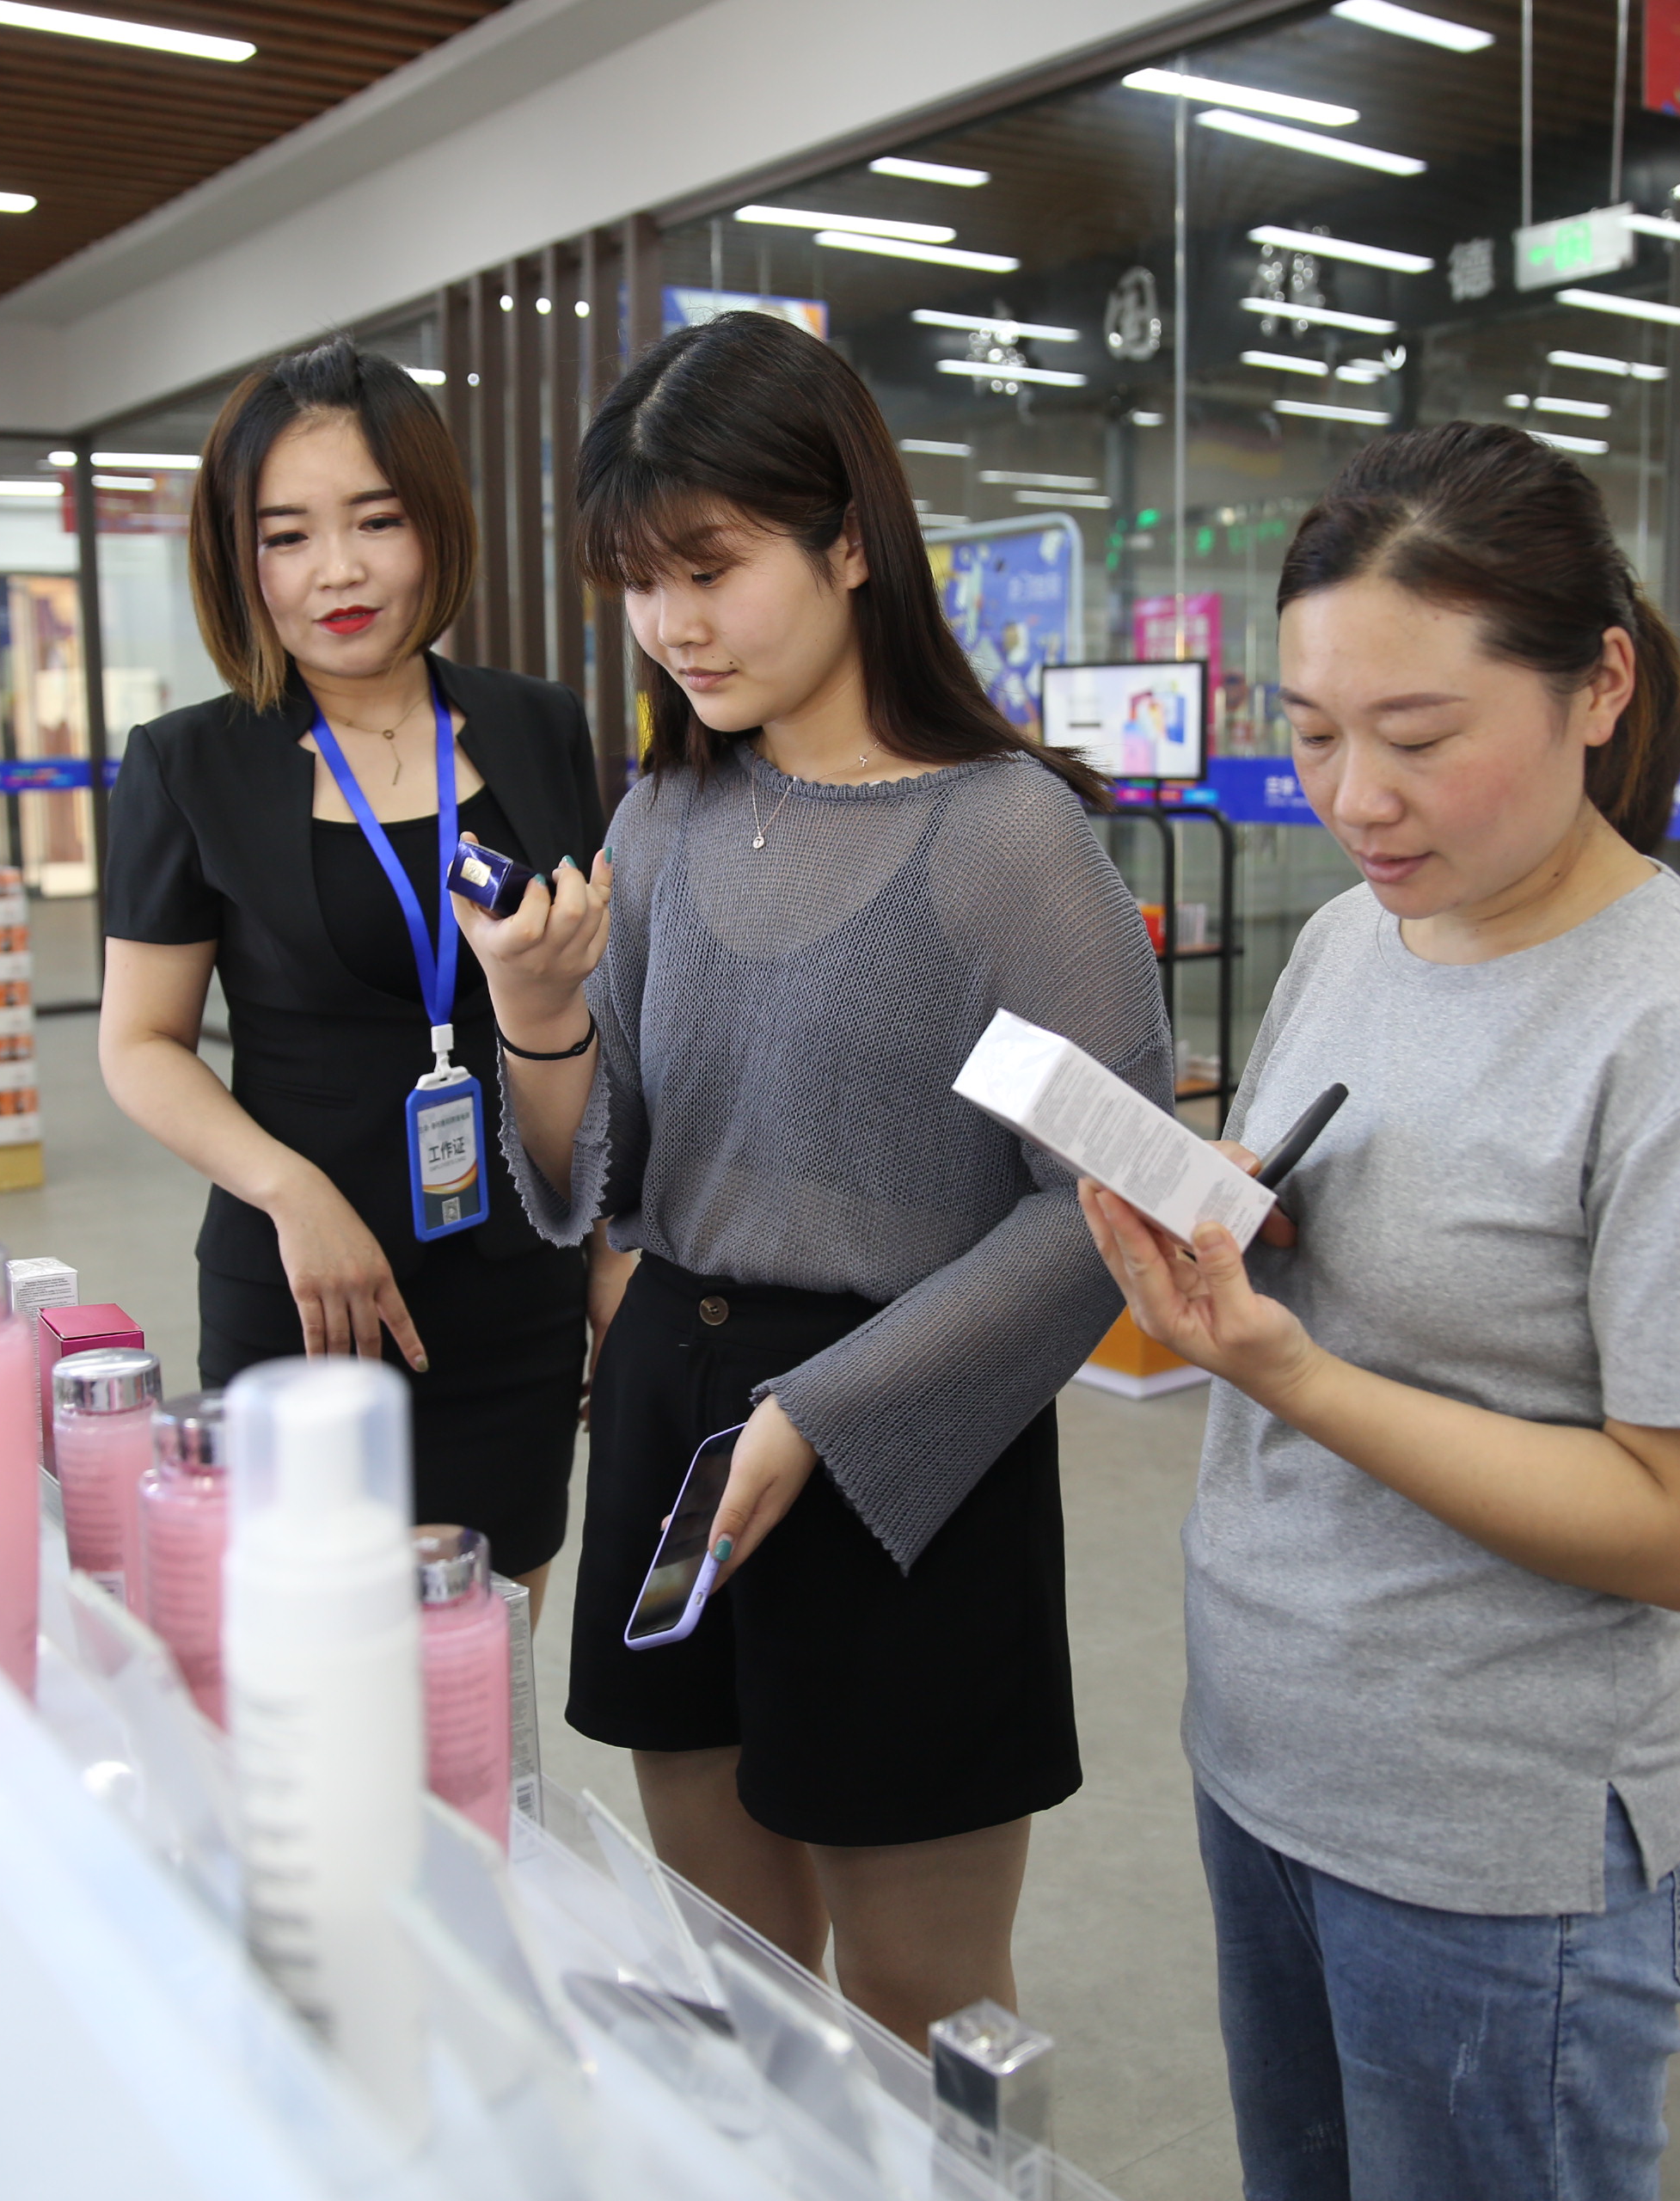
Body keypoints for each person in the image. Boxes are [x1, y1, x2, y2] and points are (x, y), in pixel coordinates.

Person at [1078, 422, 1680, 2201]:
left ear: (1601, 687)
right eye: (1313, 730)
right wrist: (1236, 1220)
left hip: (1486, 1840)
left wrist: (1296, 1371)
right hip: (1267, 1748)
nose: (1356, 798)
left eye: (1418, 738)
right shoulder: (1360, 934)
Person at [461, 311, 1170, 2049]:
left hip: (908, 1440)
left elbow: (1100, 1207)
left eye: (709, 567)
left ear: (851, 539)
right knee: (733, 1968)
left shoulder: (1007, 836)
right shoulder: (663, 815)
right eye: (638, 582)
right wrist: (536, 1022)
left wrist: (821, 1414)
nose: (671, 625)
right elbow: (583, 1188)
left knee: (927, 1997)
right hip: (665, 1414)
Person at [97, 335, 616, 1606]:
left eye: (375, 520)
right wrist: (291, 1194)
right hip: (309, 1291)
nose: (337, 570)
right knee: (320, 1668)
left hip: (515, 1283)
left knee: (481, 1663)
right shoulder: (188, 765)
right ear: (239, 556)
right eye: (286, 535)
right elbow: (139, 1043)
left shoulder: (540, 726)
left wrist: (610, 1262)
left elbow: (604, 1015)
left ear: (434, 524)